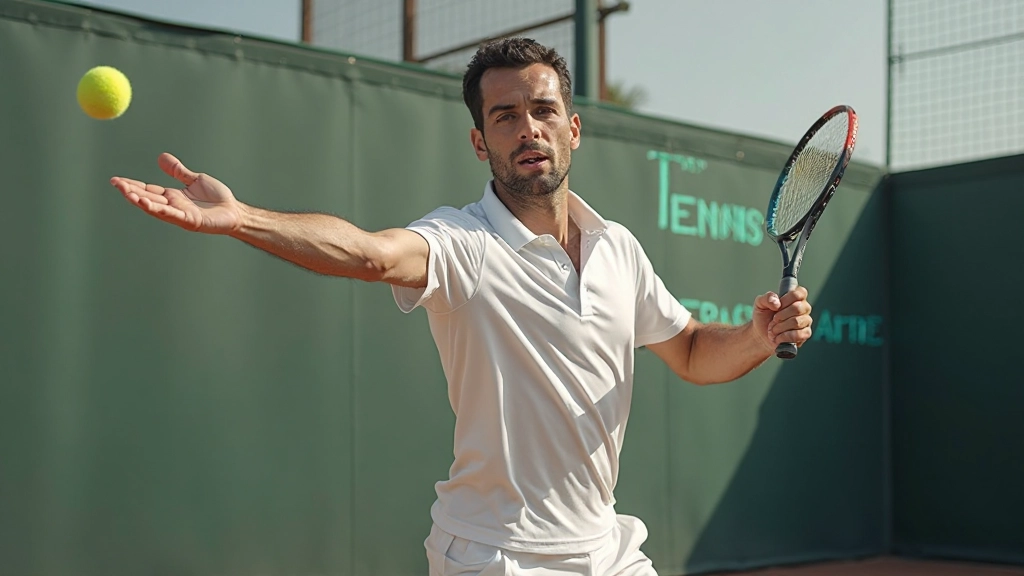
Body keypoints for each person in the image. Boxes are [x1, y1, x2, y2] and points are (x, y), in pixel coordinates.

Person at [110, 37, 812, 576]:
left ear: (574, 129)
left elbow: (689, 349)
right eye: (505, 117)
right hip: (494, 553)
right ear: (482, 141)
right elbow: (370, 254)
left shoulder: (617, 248)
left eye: (542, 111)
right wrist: (240, 219)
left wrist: (754, 336)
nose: (527, 128)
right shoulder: (463, 243)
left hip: (605, 547)